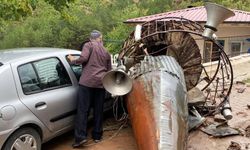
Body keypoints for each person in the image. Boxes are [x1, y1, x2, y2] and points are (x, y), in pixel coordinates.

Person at [67, 30, 112, 148]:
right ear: (100, 38)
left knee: (83, 111)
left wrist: (72, 60)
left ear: (90, 38)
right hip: (101, 84)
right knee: (98, 111)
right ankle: (97, 136)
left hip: (87, 84)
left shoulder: (88, 45)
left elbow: (83, 58)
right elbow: (109, 71)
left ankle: (80, 138)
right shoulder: (106, 51)